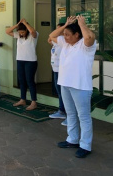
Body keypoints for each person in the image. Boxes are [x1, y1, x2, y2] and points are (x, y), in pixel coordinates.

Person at [49, 15, 96, 158]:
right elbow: (52, 36)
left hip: (80, 86)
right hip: (65, 84)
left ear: (77, 35)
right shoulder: (65, 43)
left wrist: (82, 24)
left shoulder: (86, 46)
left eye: (68, 35)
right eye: (64, 35)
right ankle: (72, 139)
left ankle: (85, 145)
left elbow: (89, 37)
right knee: (71, 114)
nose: (65, 37)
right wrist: (66, 25)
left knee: (84, 116)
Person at [6, 18, 38, 110]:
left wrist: (25, 23)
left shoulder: (33, 35)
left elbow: (32, 31)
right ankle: (22, 99)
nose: (21, 34)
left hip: (31, 61)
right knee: (22, 80)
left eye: (23, 32)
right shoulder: (18, 35)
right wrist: (17, 25)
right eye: (20, 32)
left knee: (30, 81)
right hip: (20, 60)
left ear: (27, 30)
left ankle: (33, 102)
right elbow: (7, 31)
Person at [48, 23, 67, 126]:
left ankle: (68, 114)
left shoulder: (64, 41)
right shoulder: (57, 41)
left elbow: (52, 37)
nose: (58, 31)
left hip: (62, 70)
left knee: (65, 93)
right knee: (59, 92)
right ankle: (61, 111)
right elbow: (49, 39)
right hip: (55, 69)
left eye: (60, 30)